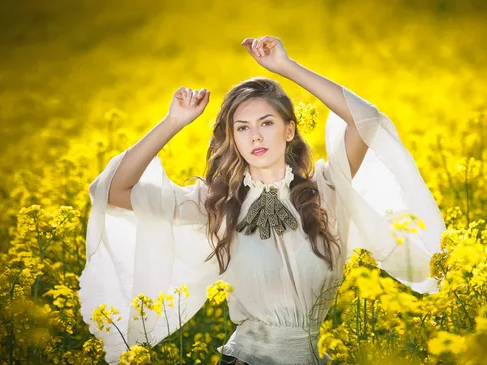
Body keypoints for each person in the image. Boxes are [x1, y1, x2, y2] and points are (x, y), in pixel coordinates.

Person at [78, 35, 447, 365]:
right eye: (242, 128)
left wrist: (286, 67)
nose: (255, 135)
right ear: (234, 139)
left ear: (289, 130)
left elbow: (366, 120)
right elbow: (113, 192)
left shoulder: (326, 190)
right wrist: (173, 122)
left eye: (267, 122)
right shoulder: (216, 205)